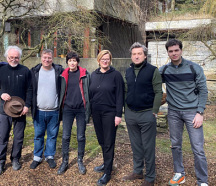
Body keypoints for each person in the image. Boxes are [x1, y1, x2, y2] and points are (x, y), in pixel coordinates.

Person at [159, 39, 208, 186]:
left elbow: (203, 91)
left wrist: (200, 112)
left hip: (192, 112)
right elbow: (151, 80)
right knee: (175, 145)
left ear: (181, 50)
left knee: (198, 148)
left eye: (176, 50)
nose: (174, 53)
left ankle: (202, 180)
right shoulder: (165, 70)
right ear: (167, 52)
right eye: (171, 51)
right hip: (173, 112)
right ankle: (179, 173)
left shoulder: (194, 68)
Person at [122, 42, 163, 186]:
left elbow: (159, 92)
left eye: (139, 53)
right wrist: (126, 110)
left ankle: (150, 177)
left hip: (147, 114)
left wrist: (154, 111)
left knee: (148, 147)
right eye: (134, 54)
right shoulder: (128, 71)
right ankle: (138, 171)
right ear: (131, 56)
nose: (136, 56)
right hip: (131, 114)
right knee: (136, 145)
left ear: (145, 55)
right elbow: (126, 91)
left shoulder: (153, 70)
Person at [0, 46, 31, 175]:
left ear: (19, 58)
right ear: (7, 58)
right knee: (3, 137)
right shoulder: (1, 70)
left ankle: (15, 159)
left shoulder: (25, 71)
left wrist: (27, 105)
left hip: (20, 110)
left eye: (16, 57)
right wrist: (1, 94)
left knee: (19, 137)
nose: (13, 60)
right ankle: (0, 162)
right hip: (5, 110)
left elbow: (30, 90)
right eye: (11, 57)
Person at [89, 50, 124, 186]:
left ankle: (107, 172)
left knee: (109, 142)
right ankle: (105, 163)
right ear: (98, 60)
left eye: (107, 59)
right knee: (102, 141)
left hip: (110, 113)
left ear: (110, 60)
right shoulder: (93, 74)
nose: (105, 61)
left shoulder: (116, 75)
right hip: (96, 113)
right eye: (103, 59)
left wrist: (118, 115)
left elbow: (120, 96)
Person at [29, 49, 63, 169]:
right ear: (41, 58)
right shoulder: (34, 71)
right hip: (38, 111)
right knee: (38, 135)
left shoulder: (59, 71)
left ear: (52, 58)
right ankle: (37, 157)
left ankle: (49, 156)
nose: (46, 60)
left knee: (52, 136)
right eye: (44, 57)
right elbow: (15, 66)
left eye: (49, 58)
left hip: (54, 111)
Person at [57, 52, 90, 175]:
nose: (72, 63)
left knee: (81, 136)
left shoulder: (85, 74)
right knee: (65, 136)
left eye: (74, 61)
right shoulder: (63, 75)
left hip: (81, 109)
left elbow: (89, 92)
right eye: (70, 60)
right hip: (67, 109)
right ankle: (65, 161)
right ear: (67, 62)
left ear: (77, 62)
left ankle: (80, 160)